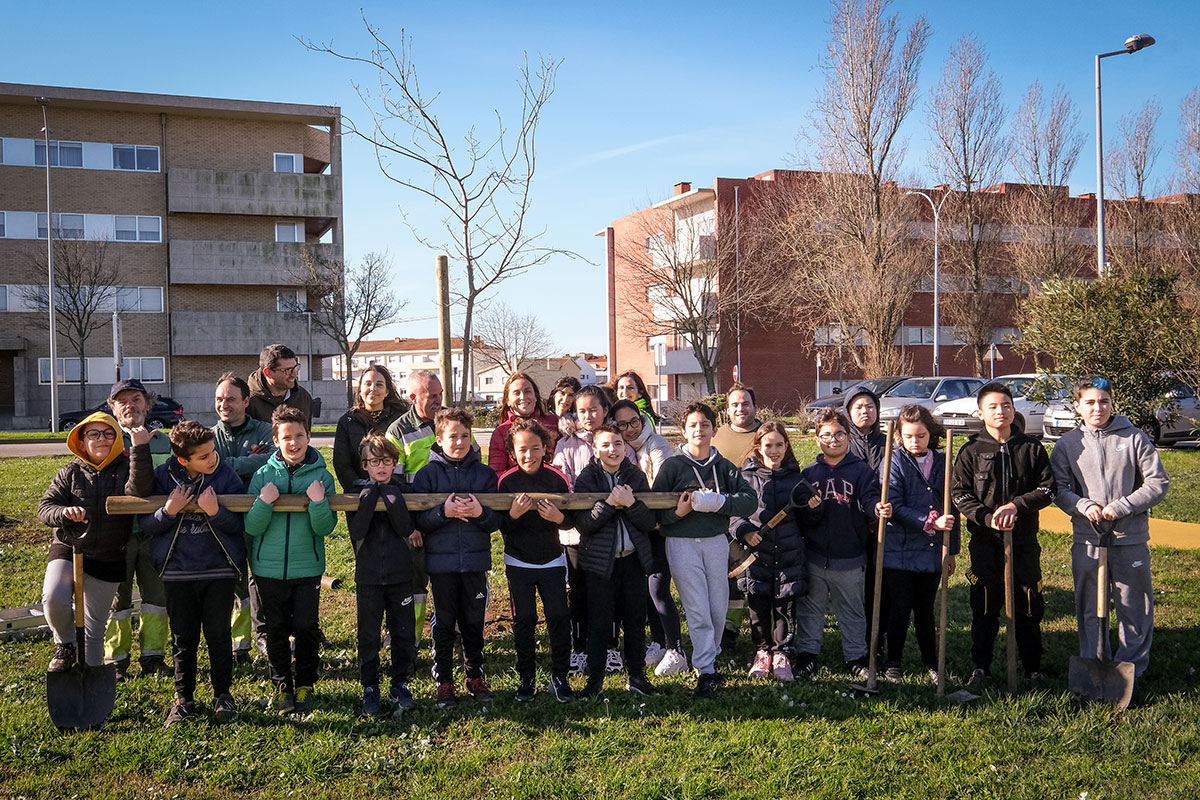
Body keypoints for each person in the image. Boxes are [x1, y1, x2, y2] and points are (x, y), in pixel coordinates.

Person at [1050, 377, 1168, 686]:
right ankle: (1093, 664)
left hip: (1130, 538)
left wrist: (1125, 505)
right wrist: (1084, 505)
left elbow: (1157, 482)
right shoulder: (1067, 445)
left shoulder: (1134, 438)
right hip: (1088, 538)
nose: (1097, 407)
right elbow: (1059, 489)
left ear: (1112, 403)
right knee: (1090, 607)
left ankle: (1131, 670)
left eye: (1103, 401)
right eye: (1089, 402)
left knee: (1134, 606)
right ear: (1077, 406)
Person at [952, 381, 1055, 694]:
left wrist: (1016, 506)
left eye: (1006, 405)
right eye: (993, 406)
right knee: (984, 605)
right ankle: (981, 668)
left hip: (1024, 543)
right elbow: (959, 493)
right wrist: (986, 517)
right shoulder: (971, 451)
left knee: (1028, 604)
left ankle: (1033, 671)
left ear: (1013, 409)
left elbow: (1048, 489)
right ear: (981, 412)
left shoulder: (1032, 449)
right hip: (985, 543)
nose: (1001, 411)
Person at [141, 421, 246, 726]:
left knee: (218, 635)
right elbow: (147, 524)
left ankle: (223, 695)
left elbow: (239, 525)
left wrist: (216, 512)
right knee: (183, 637)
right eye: (204, 456)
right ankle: (183, 698)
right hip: (178, 572)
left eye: (213, 452)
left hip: (219, 571)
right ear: (183, 459)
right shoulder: (162, 478)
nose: (212, 459)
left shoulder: (226, 476)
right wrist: (169, 511)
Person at [652, 401, 757, 699]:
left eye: (705, 424)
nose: (699, 429)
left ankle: (708, 654)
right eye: (693, 425)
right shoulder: (672, 466)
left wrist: (721, 503)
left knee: (717, 607)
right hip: (682, 543)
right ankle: (706, 669)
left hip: (715, 541)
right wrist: (680, 514)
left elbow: (749, 500)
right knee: (697, 608)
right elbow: (657, 513)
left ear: (714, 429)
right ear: (684, 431)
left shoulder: (723, 466)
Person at [39, 412, 153, 674]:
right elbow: (45, 507)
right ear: (82, 440)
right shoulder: (70, 473)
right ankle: (65, 645)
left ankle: (89, 680)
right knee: (53, 598)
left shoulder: (125, 468)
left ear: (116, 438)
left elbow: (141, 491)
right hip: (70, 547)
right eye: (94, 434)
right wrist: (64, 513)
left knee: (94, 627)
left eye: (108, 433)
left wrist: (140, 449)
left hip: (109, 555)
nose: (101, 439)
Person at [244, 406, 337, 714]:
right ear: (276, 439)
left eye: (300, 436)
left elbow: (325, 527)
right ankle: (282, 684)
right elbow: (252, 527)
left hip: (306, 568)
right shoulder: (263, 475)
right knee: (276, 629)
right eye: (287, 437)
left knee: (307, 627)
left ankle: (307, 682)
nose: (294, 443)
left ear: (309, 436)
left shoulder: (322, 477)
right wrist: (265, 502)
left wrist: (318, 501)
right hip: (267, 569)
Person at [413, 407, 501, 709]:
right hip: (440, 563)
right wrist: (443, 513)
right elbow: (419, 521)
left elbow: (495, 522)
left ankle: (474, 674)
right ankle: (445, 681)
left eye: (465, 435)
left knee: (474, 621)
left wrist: (479, 513)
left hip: (475, 561)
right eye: (453, 436)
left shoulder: (485, 475)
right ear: (439, 439)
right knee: (444, 623)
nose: (460, 442)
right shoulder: (427, 475)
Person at [794, 409, 888, 679]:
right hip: (815, 555)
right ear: (816, 439)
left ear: (848, 436)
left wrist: (875, 508)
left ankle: (856, 656)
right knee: (811, 609)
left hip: (850, 555)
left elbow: (869, 499)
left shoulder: (861, 471)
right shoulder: (809, 474)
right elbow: (803, 517)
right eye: (826, 435)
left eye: (839, 434)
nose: (833, 440)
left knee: (852, 610)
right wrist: (810, 510)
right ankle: (807, 653)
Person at [574, 424, 659, 698]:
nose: (613, 450)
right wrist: (611, 504)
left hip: (632, 561)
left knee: (635, 620)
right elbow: (584, 525)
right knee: (599, 623)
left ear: (625, 447)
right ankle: (594, 682)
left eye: (618, 444)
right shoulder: (586, 478)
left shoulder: (635, 476)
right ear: (595, 448)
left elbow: (649, 521)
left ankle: (636, 676)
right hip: (600, 564)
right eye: (606, 445)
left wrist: (631, 503)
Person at [731, 421, 819, 682]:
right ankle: (762, 651)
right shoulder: (745, 478)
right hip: (756, 556)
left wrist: (814, 508)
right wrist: (745, 531)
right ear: (758, 447)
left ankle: (781, 652)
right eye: (768, 445)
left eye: (779, 444)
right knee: (757, 607)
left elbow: (808, 521)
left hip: (788, 555)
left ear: (786, 446)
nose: (774, 450)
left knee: (783, 608)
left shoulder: (796, 478)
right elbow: (734, 515)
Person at [880, 406, 959, 685]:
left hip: (932, 549)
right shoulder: (894, 460)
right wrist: (928, 521)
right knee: (900, 607)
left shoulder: (943, 460)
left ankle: (932, 662)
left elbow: (953, 508)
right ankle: (893, 662)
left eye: (921, 435)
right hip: (898, 548)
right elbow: (895, 506)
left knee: (925, 608)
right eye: (909, 436)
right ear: (900, 436)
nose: (915, 441)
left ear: (930, 434)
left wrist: (952, 550)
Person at [498, 419, 575, 703]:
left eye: (534, 448)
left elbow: (570, 519)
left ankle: (560, 677)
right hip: (518, 563)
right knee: (525, 619)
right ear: (512, 452)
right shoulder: (506, 481)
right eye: (522, 450)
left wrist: (559, 519)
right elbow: (500, 525)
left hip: (553, 561)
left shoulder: (557, 478)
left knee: (558, 616)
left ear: (545, 448)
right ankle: (526, 679)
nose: (528, 455)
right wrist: (514, 515)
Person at [103, 378, 175, 680]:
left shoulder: (165, 442)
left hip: (155, 532)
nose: (130, 406)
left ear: (147, 404)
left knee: (156, 597)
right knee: (115, 599)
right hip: (115, 535)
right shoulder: (103, 439)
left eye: (136, 399)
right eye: (123, 401)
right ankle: (115, 661)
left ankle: (153, 657)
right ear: (113, 408)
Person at [610, 399, 686, 677]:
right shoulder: (620, 448)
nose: (630, 429)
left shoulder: (657, 445)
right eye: (622, 424)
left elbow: (662, 488)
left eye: (634, 422)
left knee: (658, 586)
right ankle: (658, 642)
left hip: (657, 526)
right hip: (634, 526)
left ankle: (676, 649)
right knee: (645, 589)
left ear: (642, 421)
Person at [553, 385, 622, 675]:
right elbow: (563, 483)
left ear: (605, 410)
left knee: (608, 592)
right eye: (582, 410)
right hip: (575, 534)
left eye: (594, 409)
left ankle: (610, 647)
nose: (588, 415)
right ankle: (579, 648)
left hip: (608, 533)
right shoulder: (565, 444)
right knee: (579, 592)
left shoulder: (617, 443)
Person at [349, 434, 419, 717]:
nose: (381, 467)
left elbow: (405, 528)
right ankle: (370, 686)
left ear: (394, 463)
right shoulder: (356, 491)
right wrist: (369, 499)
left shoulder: (403, 490)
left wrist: (393, 499)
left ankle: (399, 683)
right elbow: (356, 532)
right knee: (368, 634)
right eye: (375, 461)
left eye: (387, 461)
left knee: (403, 633)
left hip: (401, 573)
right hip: (368, 576)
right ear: (365, 464)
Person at [212, 372, 275, 664]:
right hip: (221, 518)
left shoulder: (265, 431)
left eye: (231, 399)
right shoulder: (209, 436)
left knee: (261, 576)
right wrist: (247, 463)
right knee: (232, 579)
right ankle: (239, 645)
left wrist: (227, 465)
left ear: (246, 401)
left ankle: (265, 634)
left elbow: (271, 459)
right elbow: (208, 468)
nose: (224, 405)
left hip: (261, 515)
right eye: (219, 399)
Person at [385, 369, 446, 648]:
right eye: (431, 395)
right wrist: (410, 528)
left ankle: (450, 638)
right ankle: (411, 641)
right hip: (417, 525)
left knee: (450, 583)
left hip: (450, 518)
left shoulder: (449, 421)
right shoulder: (397, 431)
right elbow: (394, 486)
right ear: (413, 397)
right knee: (416, 587)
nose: (438, 400)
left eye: (440, 394)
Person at [711, 382, 762, 653]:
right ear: (727, 410)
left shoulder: (765, 435)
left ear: (755, 406)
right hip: (723, 517)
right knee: (728, 578)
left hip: (758, 517)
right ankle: (728, 629)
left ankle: (762, 629)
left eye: (745, 403)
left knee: (755, 578)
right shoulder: (717, 437)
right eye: (734, 404)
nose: (740, 408)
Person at [843, 386, 889, 658]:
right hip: (851, 524)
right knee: (853, 587)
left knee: (878, 585)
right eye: (858, 407)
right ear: (849, 411)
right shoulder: (844, 442)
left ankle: (876, 639)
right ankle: (855, 639)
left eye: (870, 406)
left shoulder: (888, 442)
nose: (865, 411)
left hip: (882, 525)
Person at [333, 365, 408, 491]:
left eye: (379, 385)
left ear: (387, 391)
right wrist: (361, 488)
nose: (373, 389)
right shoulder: (347, 422)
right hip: (359, 497)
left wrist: (391, 488)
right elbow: (342, 465)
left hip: (396, 494)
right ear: (360, 389)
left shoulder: (401, 420)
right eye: (368, 384)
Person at [489, 371, 560, 475]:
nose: (523, 397)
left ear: (535, 396)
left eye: (527, 391)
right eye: (516, 393)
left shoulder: (555, 423)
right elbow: (496, 473)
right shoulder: (501, 432)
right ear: (508, 400)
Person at [248, 344, 314, 428]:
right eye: (287, 370)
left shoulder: (304, 397)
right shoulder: (247, 401)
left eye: (295, 368)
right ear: (268, 373)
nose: (294, 374)